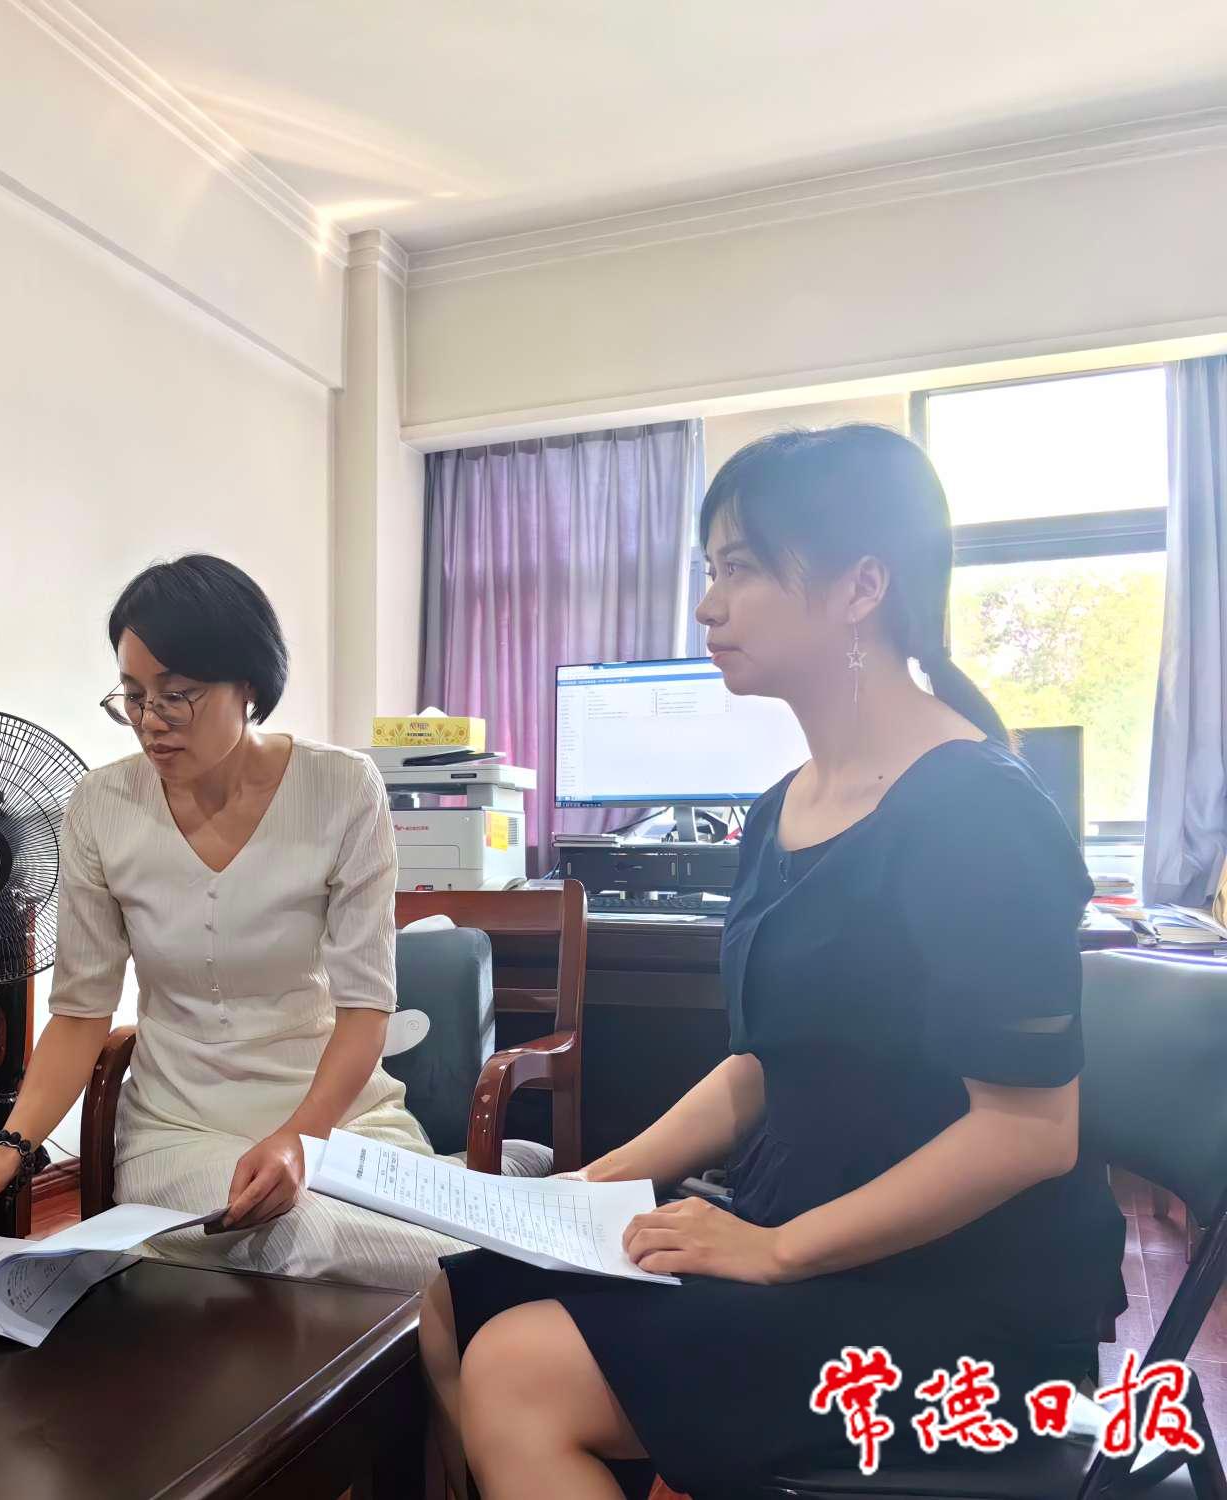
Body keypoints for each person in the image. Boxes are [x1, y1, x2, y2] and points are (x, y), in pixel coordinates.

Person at [421, 426, 1127, 1499]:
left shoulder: (977, 812)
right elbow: (760, 1068)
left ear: (861, 587)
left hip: (956, 1293)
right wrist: (583, 1188)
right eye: (709, 570)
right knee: (452, 1301)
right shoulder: (778, 812)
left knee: (521, 1373)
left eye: (740, 568)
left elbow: (1028, 1132)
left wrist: (778, 1249)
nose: (708, 607)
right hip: (795, 1226)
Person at [0, 554, 533, 1289]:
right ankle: (507, 1232)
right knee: (294, 1233)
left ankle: (482, 1218)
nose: (151, 721)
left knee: (338, 1229)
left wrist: (300, 1138)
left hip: (337, 1120)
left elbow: (366, 1008)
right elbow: (79, 1012)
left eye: (178, 695)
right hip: (180, 1132)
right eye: (133, 695)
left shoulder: (340, 788)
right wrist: (6, 1149)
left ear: (248, 683)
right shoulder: (101, 806)